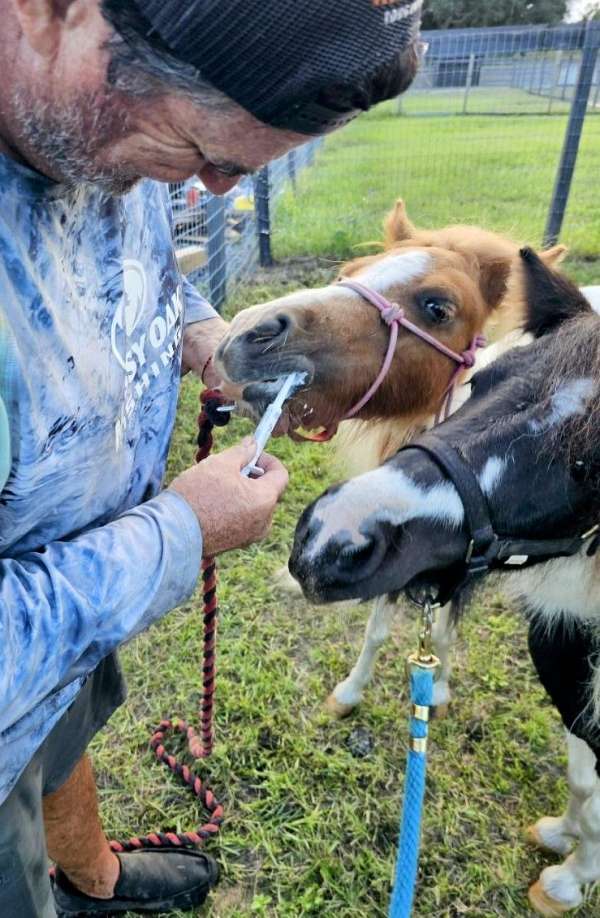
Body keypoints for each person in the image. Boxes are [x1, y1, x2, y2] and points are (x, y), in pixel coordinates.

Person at [0, 1, 422, 915]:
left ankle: (93, 877)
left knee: (66, 740)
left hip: (74, 639)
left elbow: (141, 257)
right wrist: (180, 531)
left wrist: (199, 332)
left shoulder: (90, 136)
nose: (220, 193)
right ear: (44, 14)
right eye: (206, 155)